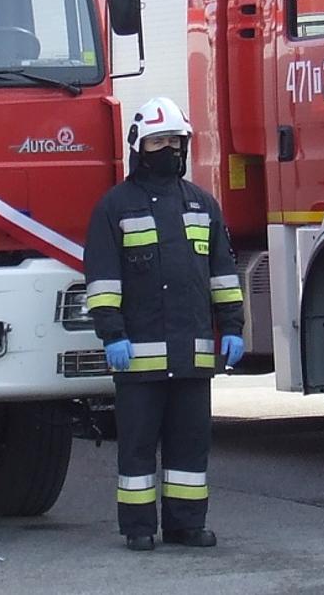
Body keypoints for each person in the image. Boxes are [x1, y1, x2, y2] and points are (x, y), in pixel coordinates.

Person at [83, 97, 246, 551]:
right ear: (139, 146)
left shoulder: (202, 204)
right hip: (138, 355)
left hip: (192, 354)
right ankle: (138, 527)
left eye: (176, 141)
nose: (169, 149)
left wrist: (232, 325)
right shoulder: (114, 207)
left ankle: (186, 524)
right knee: (137, 449)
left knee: (190, 449)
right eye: (159, 141)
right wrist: (112, 333)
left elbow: (223, 273)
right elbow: (101, 279)